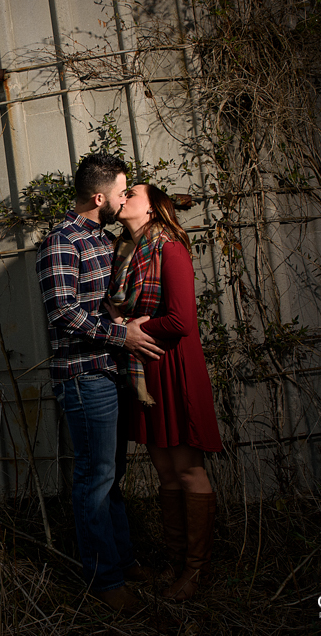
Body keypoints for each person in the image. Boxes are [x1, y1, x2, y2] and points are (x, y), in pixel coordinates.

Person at [35, 154, 163, 611]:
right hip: (85, 375)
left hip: (113, 373)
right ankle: (104, 581)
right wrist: (121, 334)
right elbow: (63, 311)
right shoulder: (61, 241)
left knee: (112, 477)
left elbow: (106, 300)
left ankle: (122, 560)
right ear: (98, 197)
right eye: (121, 191)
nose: (124, 197)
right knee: (95, 477)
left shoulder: (105, 240)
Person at [108, 182, 224, 601]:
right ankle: (177, 564)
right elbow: (114, 307)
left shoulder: (169, 248)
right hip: (144, 370)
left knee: (188, 470)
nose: (124, 198)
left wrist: (133, 328)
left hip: (172, 364)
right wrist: (121, 325)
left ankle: (196, 571)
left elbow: (180, 320)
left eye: (133, 193)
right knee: (165, 473)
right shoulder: (123, 252)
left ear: (153, 210)